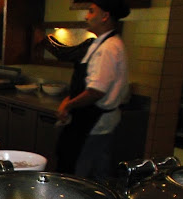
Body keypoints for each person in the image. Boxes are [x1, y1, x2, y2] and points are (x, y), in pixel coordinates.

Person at [54, 0, 130, 181]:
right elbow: (85, 82)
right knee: (96, 169)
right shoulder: (99, 44)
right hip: (89, 118)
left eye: (91, 11)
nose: (86, 16)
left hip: (95, 121)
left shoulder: (109, 48)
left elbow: (96, 91)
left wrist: (68, 105)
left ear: (105, 16)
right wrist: (68, 100)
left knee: (80, 174)